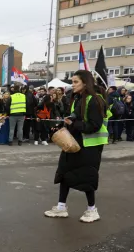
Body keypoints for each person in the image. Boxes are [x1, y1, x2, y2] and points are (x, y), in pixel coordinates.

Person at [45, 70, 108, 223]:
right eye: (72, 82)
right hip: (74, 142)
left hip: (89, 147)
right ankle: (61, 207)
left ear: (85, 83)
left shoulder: (95, 100)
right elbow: (73, 118)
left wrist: (73, 123)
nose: (72, 85)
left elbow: (94, 125)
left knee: (87, 177)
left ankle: (92, 210)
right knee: (65, 173)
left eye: (75, 82)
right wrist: (60, 127)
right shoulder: (78, 99)